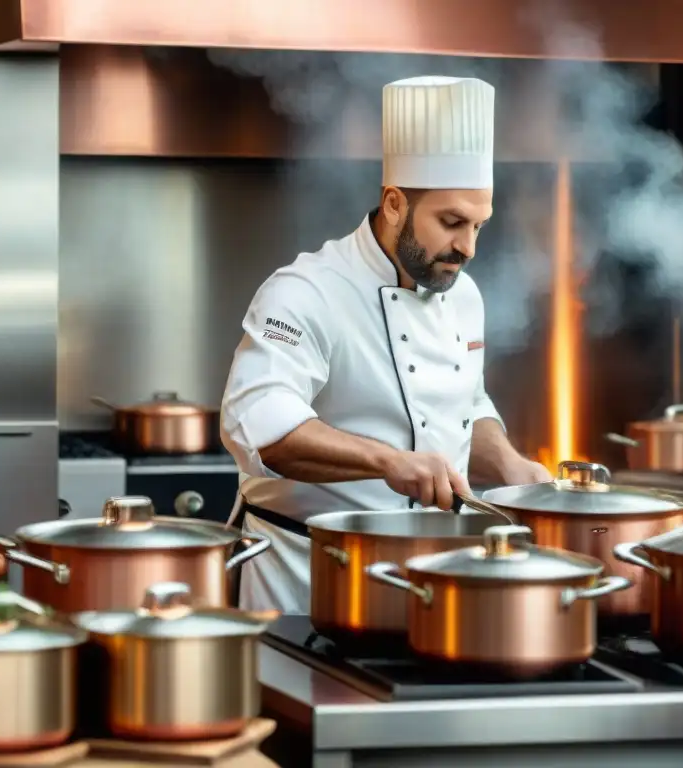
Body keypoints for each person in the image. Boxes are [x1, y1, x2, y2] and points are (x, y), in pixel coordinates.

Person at [220, 75, 552, 612]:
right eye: (451, 223)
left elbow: (465, 404)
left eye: (479, 226)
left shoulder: (463, 294)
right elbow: (260, 425)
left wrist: (511, 467)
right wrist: (388, 461)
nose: (467, 247)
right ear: (394, 203)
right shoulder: (306, 291)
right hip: (308, 581)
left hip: (427, 585)